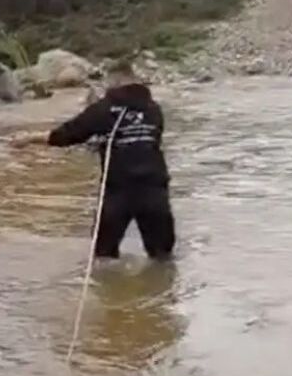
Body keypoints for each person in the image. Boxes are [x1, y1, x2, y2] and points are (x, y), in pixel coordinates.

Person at [11, 59, 175, 261]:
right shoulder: (153, 110)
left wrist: (29, 138)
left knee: (104, 256)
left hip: (120, 190)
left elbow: (67, 134)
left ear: (115, 80)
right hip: (154, 188)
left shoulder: (105, 109)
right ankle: (162, 291)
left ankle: (106, 290)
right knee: (162, 258)